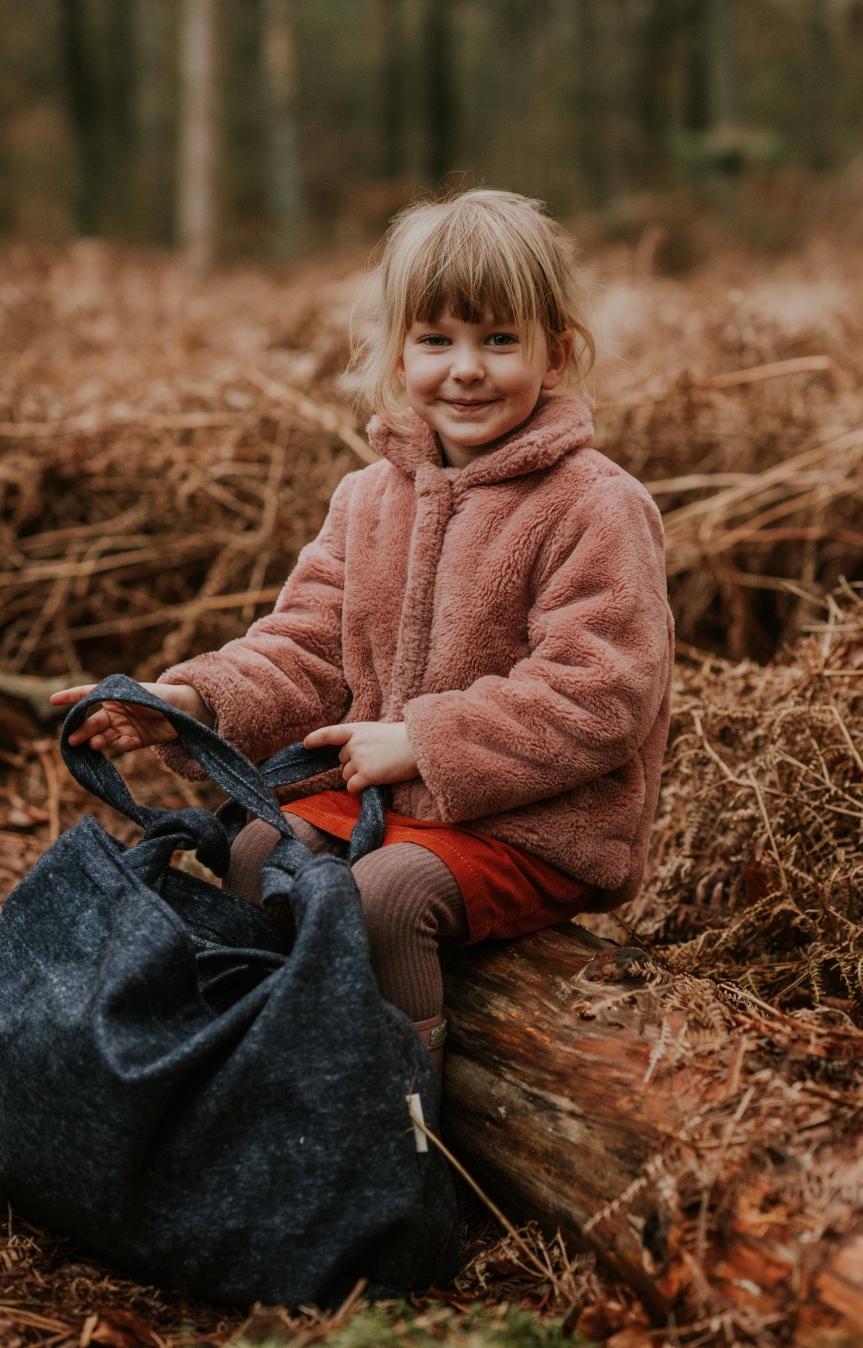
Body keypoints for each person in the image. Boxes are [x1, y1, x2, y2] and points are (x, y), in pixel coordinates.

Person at [52, 189, 673, 1079]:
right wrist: (189, 702)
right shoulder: (368, 498)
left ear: (556, 350)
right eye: (436, 339)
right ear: (396, 350)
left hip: (538, 824)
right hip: (386, 803)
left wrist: (423, 742)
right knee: (258, 846)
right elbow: (304, 649)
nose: (466, 368)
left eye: (499, 340)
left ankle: (398, 1132)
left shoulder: (595, 506)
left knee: (381, 900)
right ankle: (280, 1078)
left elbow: (600, 689)